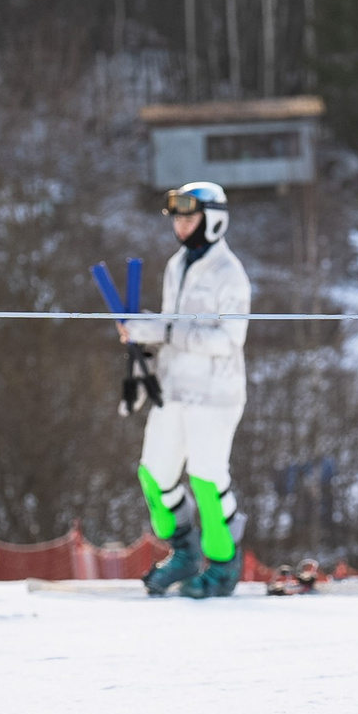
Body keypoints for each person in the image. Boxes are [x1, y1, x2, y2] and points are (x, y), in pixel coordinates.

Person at [123, 182, 251, 599]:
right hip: (174, 389)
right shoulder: (176, 265)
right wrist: (144, 343)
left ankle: (223, 564)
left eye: (189, 218)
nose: (181, 226)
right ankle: (183, 553)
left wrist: (167, 330)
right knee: (154, 474)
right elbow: (168, 325)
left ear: (213, 220)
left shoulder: (230, 274)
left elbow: (228, 339)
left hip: (214, 394)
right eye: (177, 219)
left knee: (207, 479)